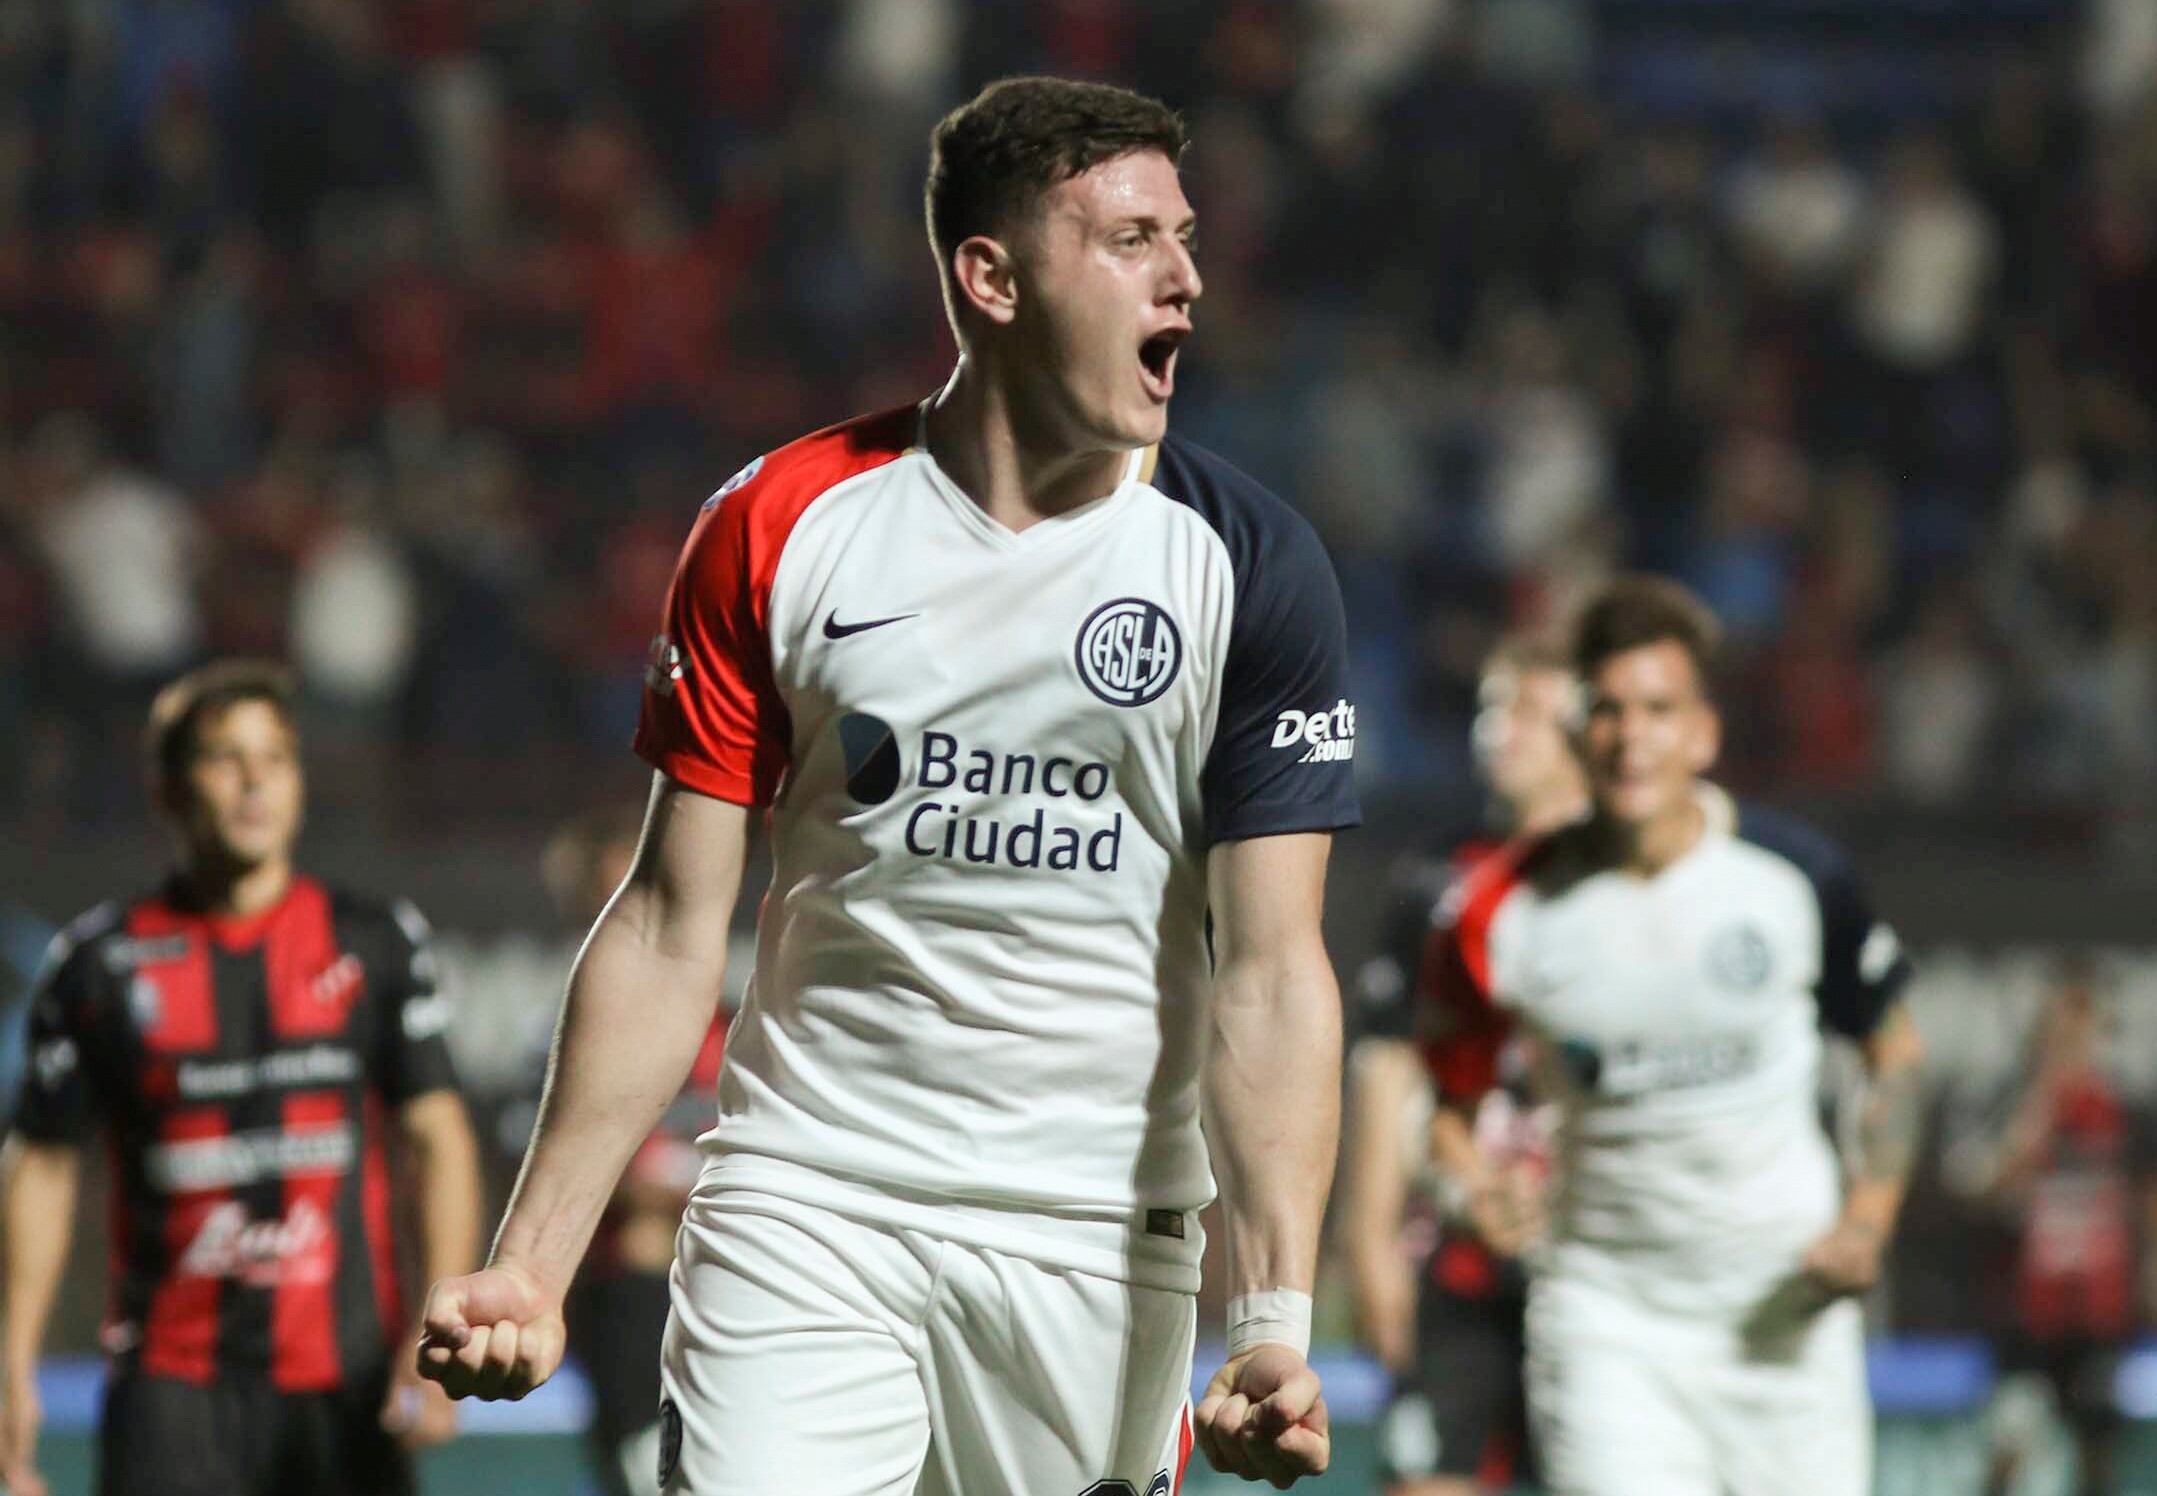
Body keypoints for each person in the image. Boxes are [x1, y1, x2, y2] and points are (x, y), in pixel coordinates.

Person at [416, 76, 1358, 1496]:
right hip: (810, 1196)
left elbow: (1273, 975)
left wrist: (1274, 1320)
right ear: (988, 277)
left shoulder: (1250, 563)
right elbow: (673, 927)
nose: (1186, 279)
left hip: (1097, 1236)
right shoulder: (781, 525)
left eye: (1186, 238)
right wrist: (531, 1267)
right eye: (1129, 241)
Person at [1467, 577, 1924, 1496]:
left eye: (1659, 710)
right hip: (1610, 1321)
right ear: (1575, 733)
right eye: (1608, 711)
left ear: (1704, 732)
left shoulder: (1794, 878)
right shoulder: (1500, 907)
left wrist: (1868, 1223)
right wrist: (1468, 1179)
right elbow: (1440, 1082)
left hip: (1785, 1323)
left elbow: (1895, 1056)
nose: (1632, 738)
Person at [0, 660, 482, 1496]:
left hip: (347, 1385)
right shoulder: (97, 965)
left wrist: (437, 1320)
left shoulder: (372, 940)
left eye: (277, 757)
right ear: (168, 789)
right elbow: (41, 1165)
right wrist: (10, 1356)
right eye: (226, 757)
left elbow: (437, 1139)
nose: (255, 780)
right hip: (169, 1395)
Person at [1362, 638, 1587, 1496]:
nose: (1501, 731)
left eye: (1529, 710)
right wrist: (1371, 1241)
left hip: (1590, 1258)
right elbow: (1388, 1072)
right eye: (1493, 709)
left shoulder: (1621, 880)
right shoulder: (1436, 880)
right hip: (1456, 1253)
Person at [1958, 954, 2157, 1496]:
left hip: (2100, 1311)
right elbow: (1980, 1188)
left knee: (2097, 1448)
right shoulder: (2013, 1101)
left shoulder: (2125, 1104)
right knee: (2010, 1439)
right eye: (2059, 1029)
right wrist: (2039, 1110)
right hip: (2025, 1314)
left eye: (2083, 1027)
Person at [541, 807, 732, 1496]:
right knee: (642, 1468)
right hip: (627, 1294)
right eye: (612, 897)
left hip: (721, 1286)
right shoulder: (575, 1034)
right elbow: (596, 1170)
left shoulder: (730, 1025)